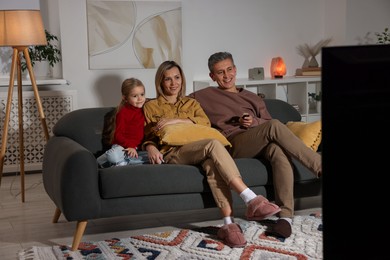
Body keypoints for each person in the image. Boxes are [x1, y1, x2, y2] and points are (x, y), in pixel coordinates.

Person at [142, 60, 281, 248]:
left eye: (177, 78)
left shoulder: (192, 103)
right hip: (174, 152)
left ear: (182, 80)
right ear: (160, 82)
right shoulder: (151, 106)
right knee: (214, 144)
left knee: (212, 165)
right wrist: (150, 146)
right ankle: (250, 199)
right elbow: (146, 135)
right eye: (168, 79)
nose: (174, 83)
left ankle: (228, 224)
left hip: (199, 149)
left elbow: (204, 125)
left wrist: (174, 121)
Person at [189, 51, 322, 238]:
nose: (226, 76)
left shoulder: (253, 98)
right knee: (275, 125)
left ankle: (285, 217)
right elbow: (176, 104)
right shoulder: (202, 95)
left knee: (278, 151)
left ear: (235, 69)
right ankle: (318, 165)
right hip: (233, 145)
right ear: (212, 76)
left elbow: (266, 121)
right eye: (220, 72)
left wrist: (253, 122)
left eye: (229, 70)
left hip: (258, 140)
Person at [97, 77, 149, 167]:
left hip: (136, 149)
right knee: (114, 156)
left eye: (142, 94)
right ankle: (102, 160)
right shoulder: (123, 112)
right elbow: (117, 135)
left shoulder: (146, 108)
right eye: (135, 96)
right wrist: (130, 146)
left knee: (155, 157)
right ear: (125, 98)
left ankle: (122, 162)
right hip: (122, 146)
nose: (140, 98)